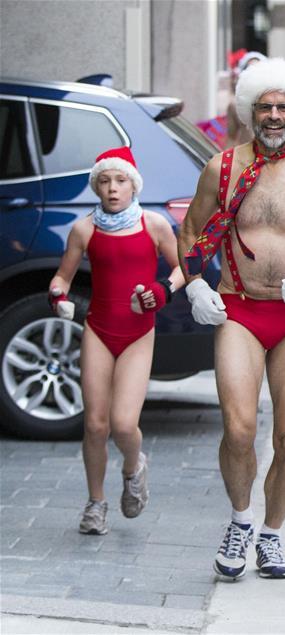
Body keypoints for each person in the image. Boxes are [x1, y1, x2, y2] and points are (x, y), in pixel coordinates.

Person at [178, 58, 285, 580]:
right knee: (237, 428)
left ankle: (272, 534)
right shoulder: (223, 167)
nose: (274, 116)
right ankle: (240, 519)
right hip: (239, 309)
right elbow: (190, 231)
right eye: (265, 107)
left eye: (283, 107)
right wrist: (194, 285)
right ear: (250, 112)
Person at [49, 147, 184, 535]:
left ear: (133, 185)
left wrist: (162, 291)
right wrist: (57, 294)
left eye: (120, 181)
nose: (112, 189)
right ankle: (96, 503)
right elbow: (62, 277)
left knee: (124, 425)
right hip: (99, 329)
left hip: (139, 332)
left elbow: (182, 271)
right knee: (95, 425)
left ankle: (133, 467)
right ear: (96, 186)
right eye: (105, 181)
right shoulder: (85, 229)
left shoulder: (154, 224)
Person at [225, 51, 267, 149]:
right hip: (247, 159)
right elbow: (231, 138)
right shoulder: (235, 104)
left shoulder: (276, 102)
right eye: (250, 69)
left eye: (259, 69)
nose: (255, 73)